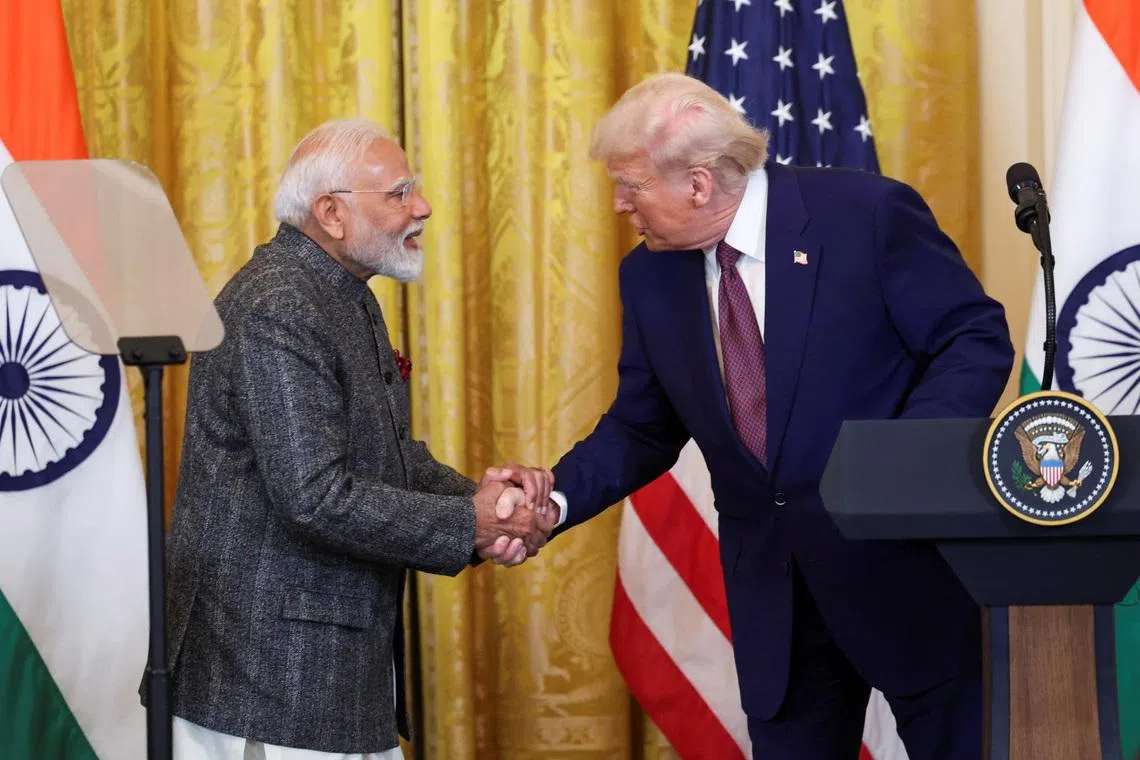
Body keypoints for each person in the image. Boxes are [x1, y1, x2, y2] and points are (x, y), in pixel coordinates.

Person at [547, 73, 1013, 758]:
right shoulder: (650, 274)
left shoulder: (866, 215)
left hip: (904, 572)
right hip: (777, 601)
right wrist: (553, 499)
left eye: (629, 185)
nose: (618, 204)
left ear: (699, 184)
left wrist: (903, 461)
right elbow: (642, 425)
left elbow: (971, 337)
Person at [163, 119, 555, 760]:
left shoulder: (339, 292)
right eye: (399, 193)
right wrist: (474, 522)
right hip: (269, 684)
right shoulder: (279, 305)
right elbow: (314, 495)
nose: (423, 207)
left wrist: (484, 500)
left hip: (325, 677)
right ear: (331, 213)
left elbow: (384, 457)